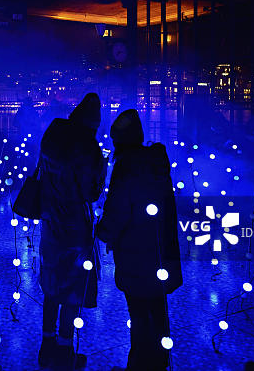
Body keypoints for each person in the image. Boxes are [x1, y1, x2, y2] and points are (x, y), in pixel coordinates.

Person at [98, 109, 182, 371]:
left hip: (135, 253)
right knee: (157, 310)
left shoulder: (127, 165)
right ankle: (159, 362)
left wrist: (103, 231)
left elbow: (119, 209)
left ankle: (138, 365)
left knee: (138, 313)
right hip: (158, 249)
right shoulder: (156, 161)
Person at [37, 93, 105, 369]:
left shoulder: (52, 137)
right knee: (73, 288)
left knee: (52, 284)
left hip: (50, 222)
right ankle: (65, 351)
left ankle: (46, 346)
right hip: (75, 226)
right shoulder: (88, 148)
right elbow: (92, 193)